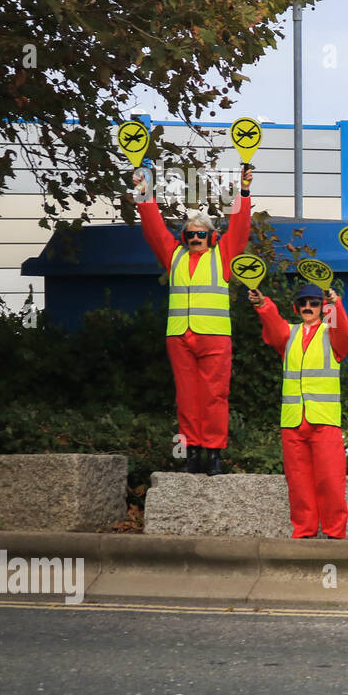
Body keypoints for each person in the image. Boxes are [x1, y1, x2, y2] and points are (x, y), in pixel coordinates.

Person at [136, 163, 253, 475]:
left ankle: (213, 453)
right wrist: (143, 193)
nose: (195, 238)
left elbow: (240, 227)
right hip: (179, 337)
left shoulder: (222, 255)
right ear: (184, 237)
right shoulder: (173, 255)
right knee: (186, 398)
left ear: (211, 236)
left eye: (201, 234)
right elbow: (153, 230)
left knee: (215, 396)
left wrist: (243, 192)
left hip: (214, 337)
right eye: (190, 234)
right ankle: (190, 453)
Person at [248, 282, 348, 539]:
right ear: (297, 307)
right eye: (304, 303)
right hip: (293, 421)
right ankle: (304, 532)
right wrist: (262, 304)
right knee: (298, 483)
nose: (309, 306)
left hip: (325, 419)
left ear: (321, 307)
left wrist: (334, 304)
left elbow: (346, 334)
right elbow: (273, 326)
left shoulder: (332, 333)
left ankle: (334, 533)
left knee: (330, 480)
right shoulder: (288, 335)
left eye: (314, 303)